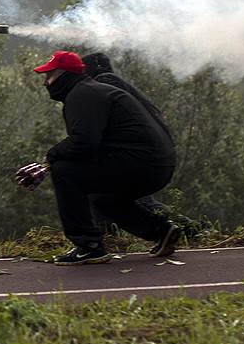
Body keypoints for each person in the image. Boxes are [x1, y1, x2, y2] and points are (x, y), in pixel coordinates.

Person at [17, 50, 180, 265]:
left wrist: (51, 157)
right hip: (156, 165)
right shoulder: (89, 91)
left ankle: (88, 246)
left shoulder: (82, 94)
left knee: (64, 171)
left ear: (65, 74)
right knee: (102, 197)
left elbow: (84, 143)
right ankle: (160, 230)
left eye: (50, 76)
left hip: (143, 164)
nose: (46, 83)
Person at [81, 53, 202, 237]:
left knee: (111, 196)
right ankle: (191, 231)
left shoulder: (105, 81)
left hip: (133, 157)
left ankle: (191, 231)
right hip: (134, 155)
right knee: (135, 201)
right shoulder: (110, 83)